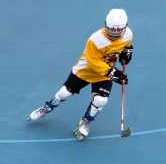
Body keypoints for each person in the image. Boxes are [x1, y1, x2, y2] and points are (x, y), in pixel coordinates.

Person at [27, 9, 133, 141]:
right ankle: (47, 107)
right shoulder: (95, 40)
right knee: (64, 93)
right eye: (111, 31)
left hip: (104, 74)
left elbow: (126, 47)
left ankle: (85, 123)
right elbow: (93, 61)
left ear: (125, 27)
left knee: (101, 100)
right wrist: (113, 73)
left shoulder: (128, 34)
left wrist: (126, 55)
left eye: (118, 31)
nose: (114, 34)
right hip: (85, 70)